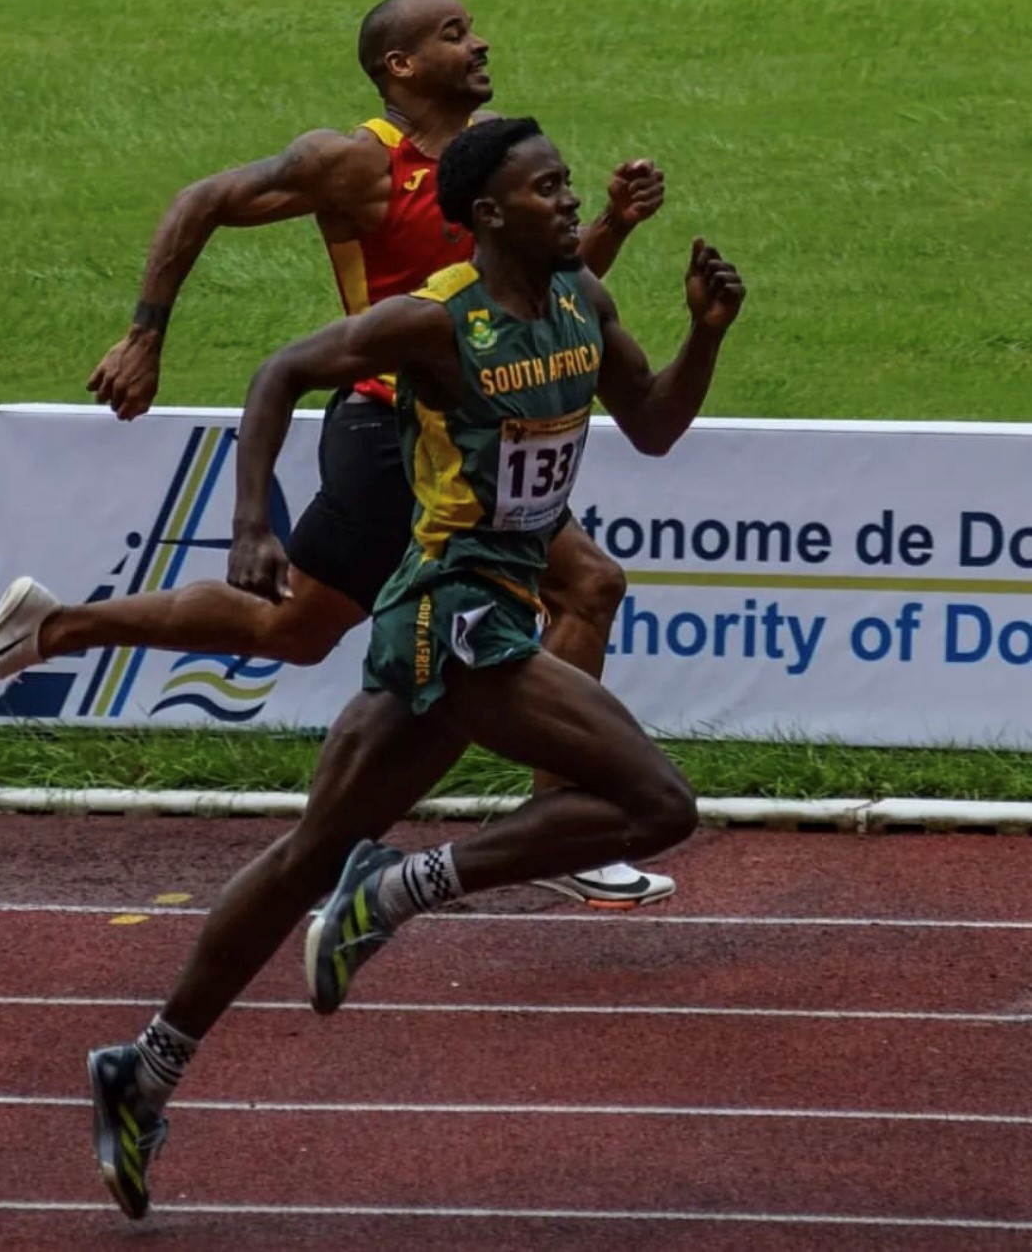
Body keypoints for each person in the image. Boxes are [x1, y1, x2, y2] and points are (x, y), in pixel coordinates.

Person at [85, 117, 746, 1220]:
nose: (565, 202)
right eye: (545, 190)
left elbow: (658, 426)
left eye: (564, 183)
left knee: (305, 857)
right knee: (655, 801)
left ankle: (144, 1068)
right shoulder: (438, 322)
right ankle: (401, 886)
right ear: (489, 215)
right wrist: (253, 524)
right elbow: (282, 370)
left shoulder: (586, 303)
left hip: (465, 623)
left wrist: (708, 334)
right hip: (453, 613)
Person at [0, 0, 677, 909]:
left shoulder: (500, 161)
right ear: (400, 66)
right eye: (453, 34)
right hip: (392, 434)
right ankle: (566, 818)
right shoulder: (354, 164)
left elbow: (530, 305)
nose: (480, 41)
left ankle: (50, 628)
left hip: (466, 429)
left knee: (293, 628)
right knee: (587, 583)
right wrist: (144, 336)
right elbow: (202, 200)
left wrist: (610, 226)